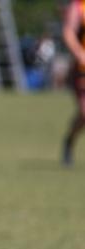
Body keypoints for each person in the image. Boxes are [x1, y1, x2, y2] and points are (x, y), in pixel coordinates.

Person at [61, 0, 85, 166]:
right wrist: (79, 53)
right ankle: (69, 141)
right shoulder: (78, 7)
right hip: (82, 71)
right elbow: (68, 32)